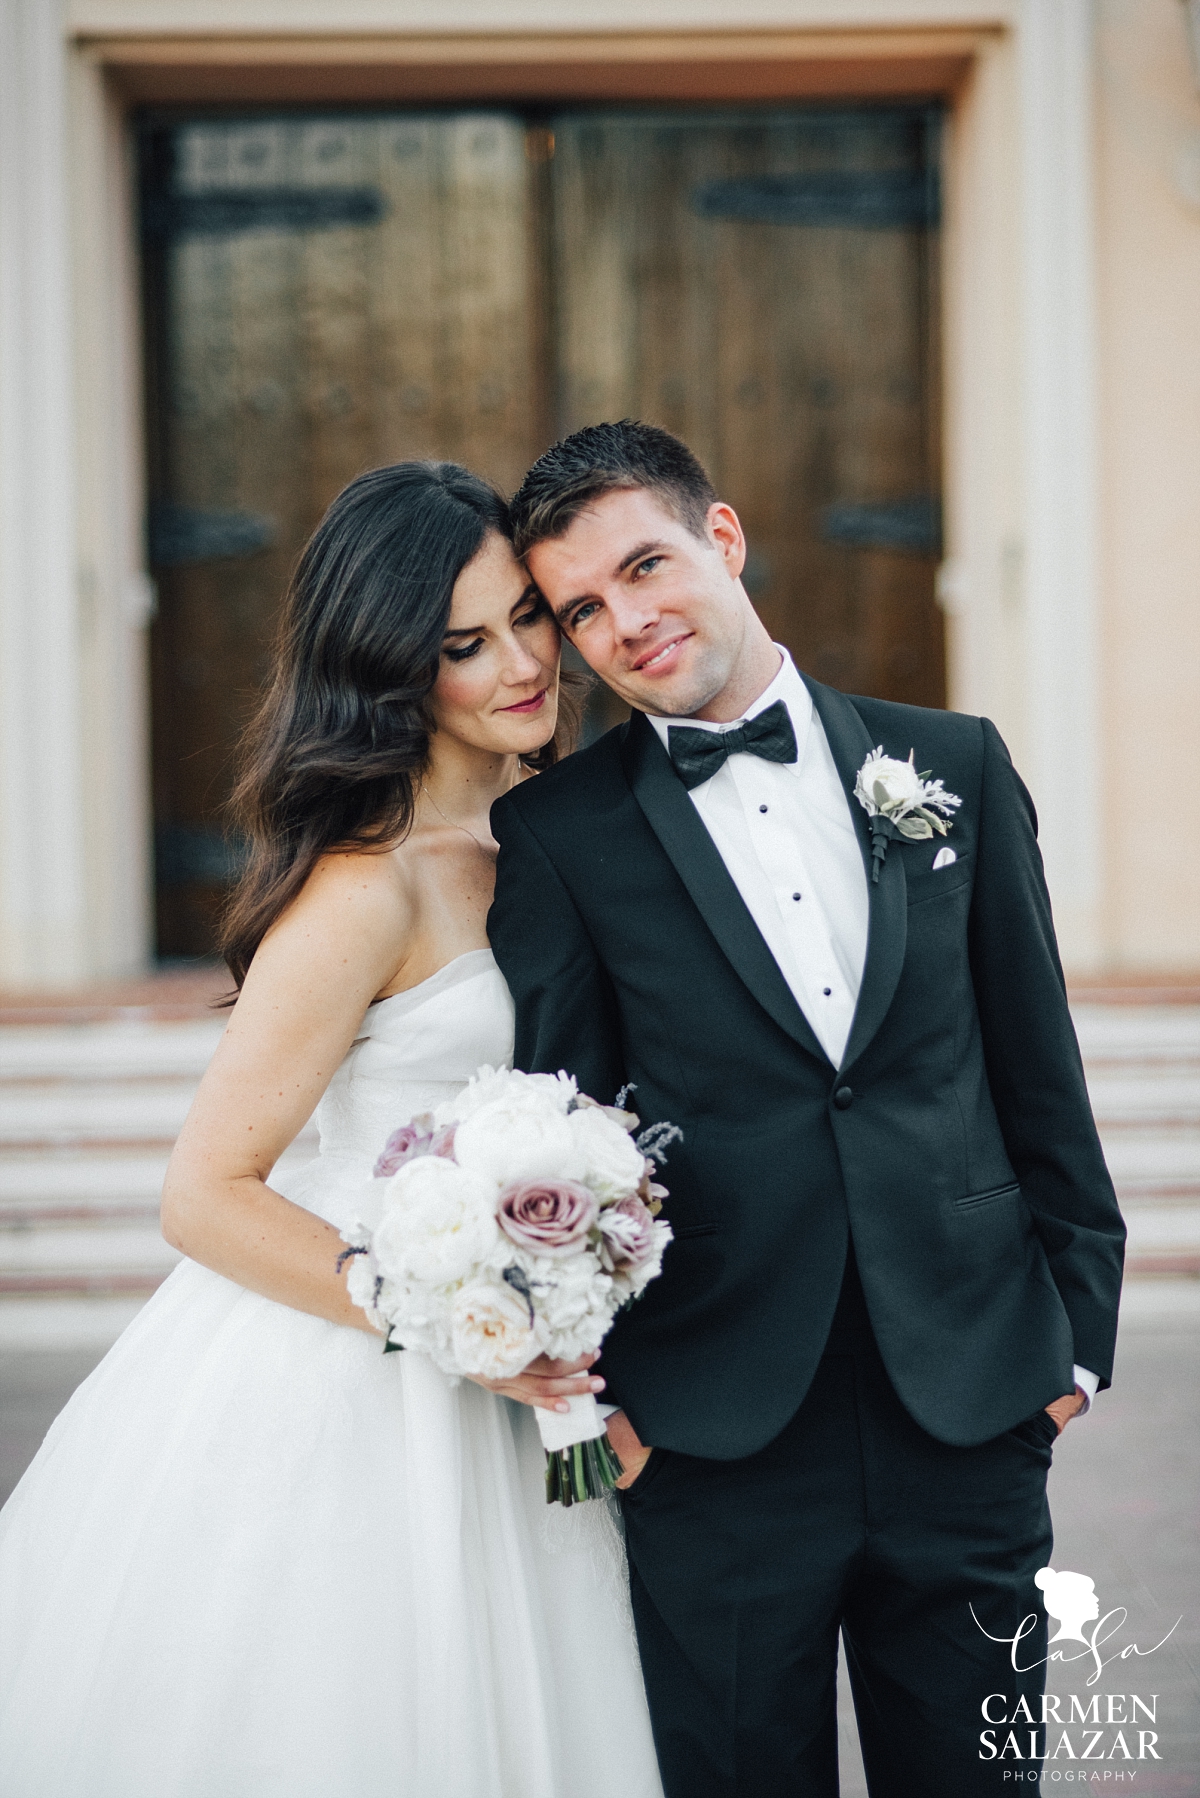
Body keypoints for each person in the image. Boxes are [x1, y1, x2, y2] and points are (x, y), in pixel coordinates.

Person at [0, 462, 663, 1798]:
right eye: (462, 646)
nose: (522, 664)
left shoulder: (540, 834)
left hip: (524, 1379)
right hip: (357, 1378)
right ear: (389, 673)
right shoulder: (364, 885)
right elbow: (203, 1190)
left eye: (527, 619)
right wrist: (441, 1315)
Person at [488, 420, 1127, 1797]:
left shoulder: (949, 758)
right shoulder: (562, 835)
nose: (626, 622)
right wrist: (609, 1414)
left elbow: (1038, 1066)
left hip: (968, 1401)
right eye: (584, 608)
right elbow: (560, 1128)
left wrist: (1073, 1340)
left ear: (721, 537)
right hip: (713, 1430)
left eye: (645, 567)